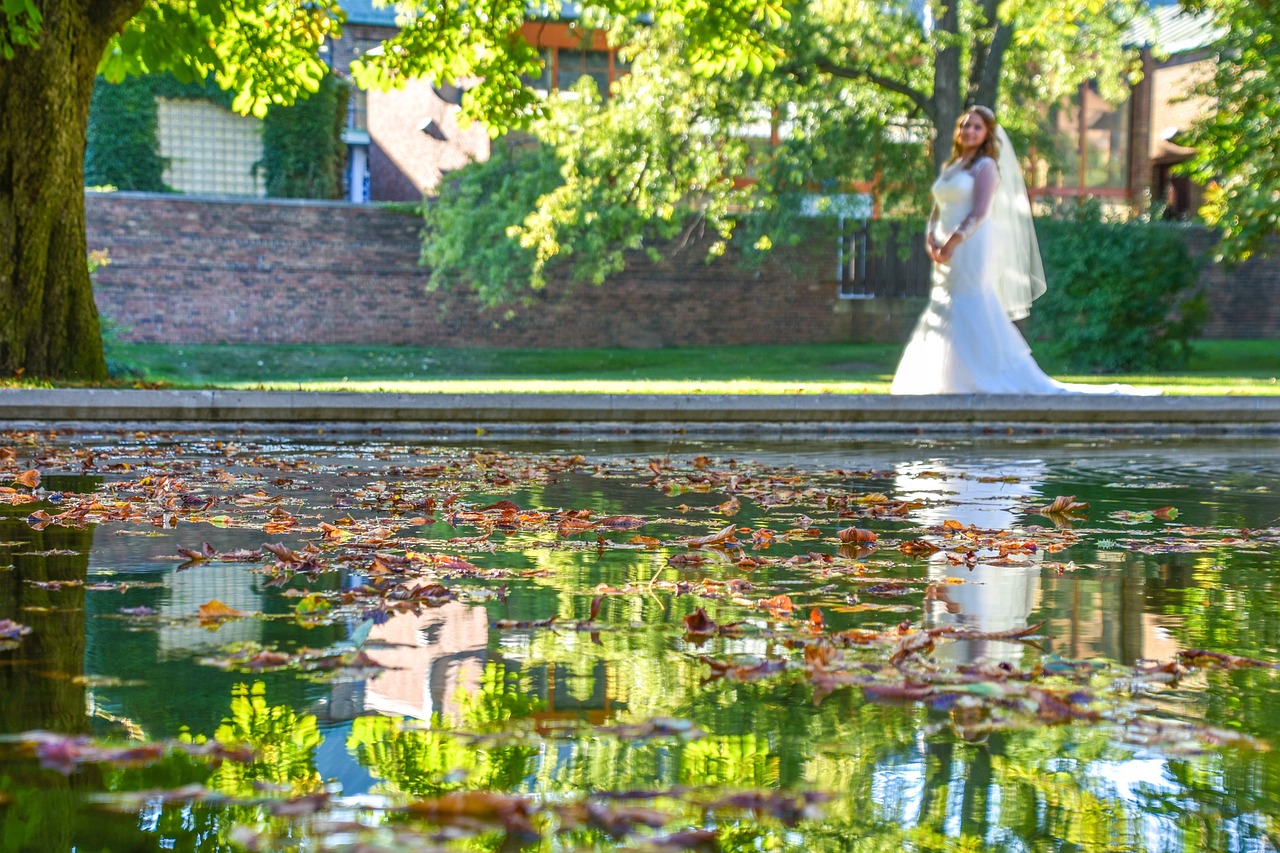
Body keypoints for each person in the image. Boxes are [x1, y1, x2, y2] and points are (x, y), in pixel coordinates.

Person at [890, 106, 1151, 395]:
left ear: (987, 132)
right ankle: (950, 378)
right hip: (943, 250)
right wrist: (931, 238)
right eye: (965, 125)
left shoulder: (986, 167)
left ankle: (986, 373)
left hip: (971, 244)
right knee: (946, 302)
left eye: (977, 126)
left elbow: (979, 211)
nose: (969, 131)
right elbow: (937, 208)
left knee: (970, 300)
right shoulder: (951, 167)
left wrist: (952, 241)